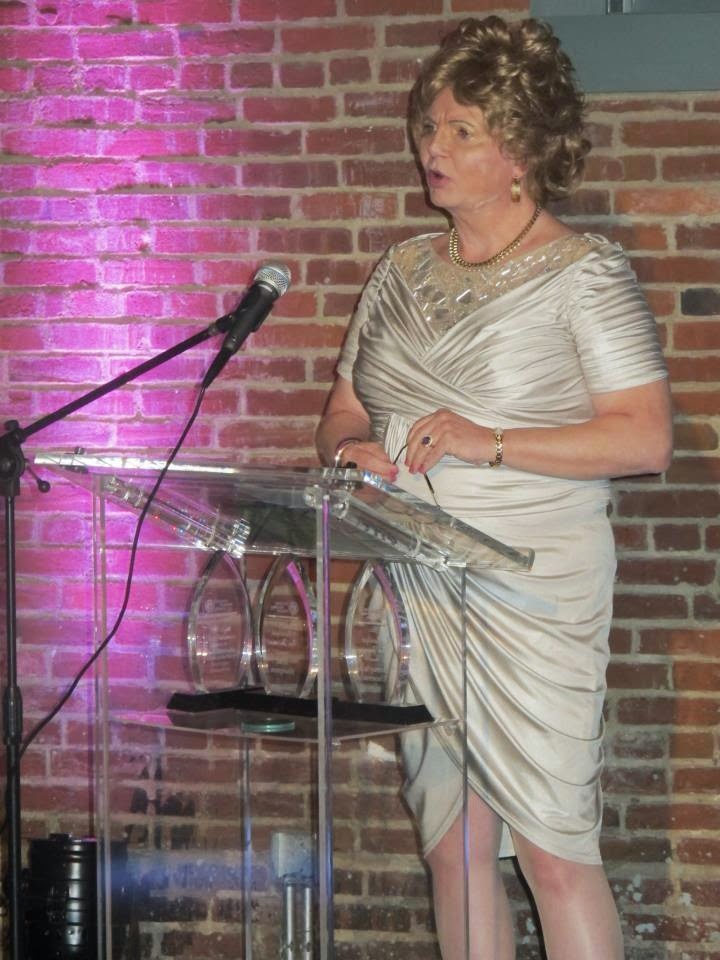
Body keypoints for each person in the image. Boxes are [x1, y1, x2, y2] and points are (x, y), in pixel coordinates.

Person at [315, 15, 672, 960]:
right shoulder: (397, 272)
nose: (431, 147)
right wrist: (355, 452)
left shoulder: (585, 274)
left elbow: (645, 438)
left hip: (533, 587)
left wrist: (491, 442)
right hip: (418, 585)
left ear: (520, 150)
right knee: (453, 845)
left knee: (553, 850)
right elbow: (341, 412)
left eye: (461, 130)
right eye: (429, 126)